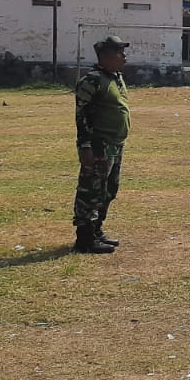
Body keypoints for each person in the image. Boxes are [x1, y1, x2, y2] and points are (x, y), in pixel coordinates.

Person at [72, 35, 133, 254]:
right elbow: (82, 115)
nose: (124, 57)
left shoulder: (115, 77)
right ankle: (85, 239)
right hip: (99, 145)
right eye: (119, 53)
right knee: (91, 190)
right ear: (106, 56)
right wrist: (86, 145)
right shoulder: (92, 80)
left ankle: (96, 231)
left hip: (115, 144)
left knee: (108, 190)